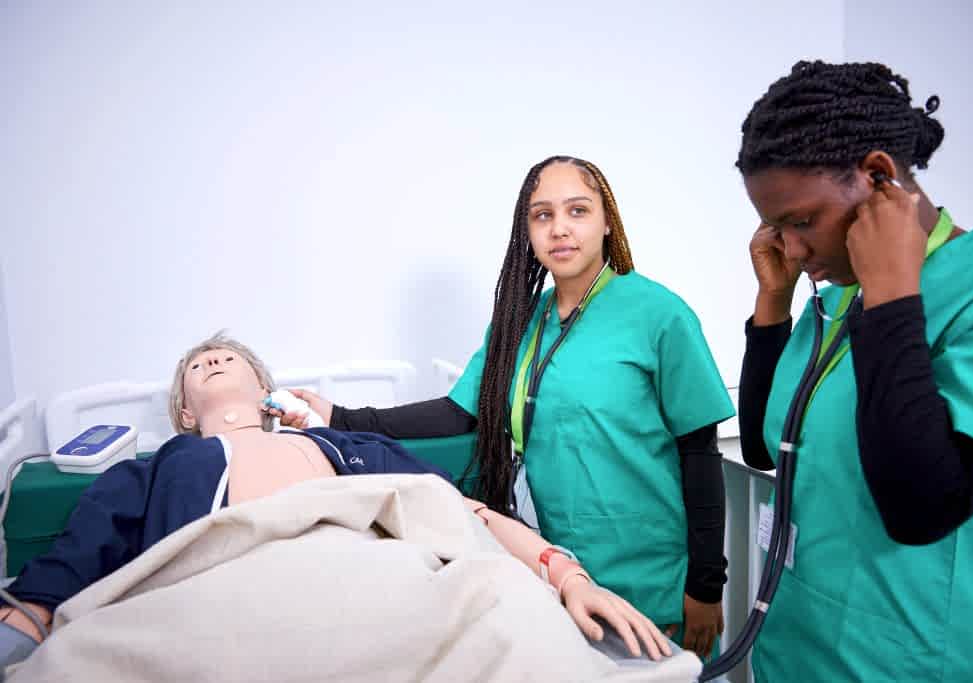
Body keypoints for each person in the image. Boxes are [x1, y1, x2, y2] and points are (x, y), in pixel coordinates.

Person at [274, 156, 736, 658]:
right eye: (542, 216)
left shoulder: (659, 315)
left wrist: (706, 586)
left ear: (607, 223)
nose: (559, 228)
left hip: (657, 586)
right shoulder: (521, 323)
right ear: (528, 233)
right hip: (563, 577)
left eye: (577, 211)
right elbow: (461, 413)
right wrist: (340, 417)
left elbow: (700, 453)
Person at [0, 333, 672, 670]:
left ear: (265, 385)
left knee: (506, 602)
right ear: (182, 406)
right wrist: (28, 615)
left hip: (363, 581)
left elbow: (461, 510)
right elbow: (79, 551)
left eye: (228, 356)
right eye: (197, 364)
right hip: (216, 597)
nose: (212, 360)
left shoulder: (342, 446)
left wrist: (563, 572)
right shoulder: (159, 467)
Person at [736, 60, 973, 682]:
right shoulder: (841, 293)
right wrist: (773, 306)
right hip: (792, 647)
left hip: (901, 661)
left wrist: (894, 292)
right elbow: (765, 447)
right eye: (776, 227)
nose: (791, 248)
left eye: (803, 221)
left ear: (877, 177)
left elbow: (922, 507)